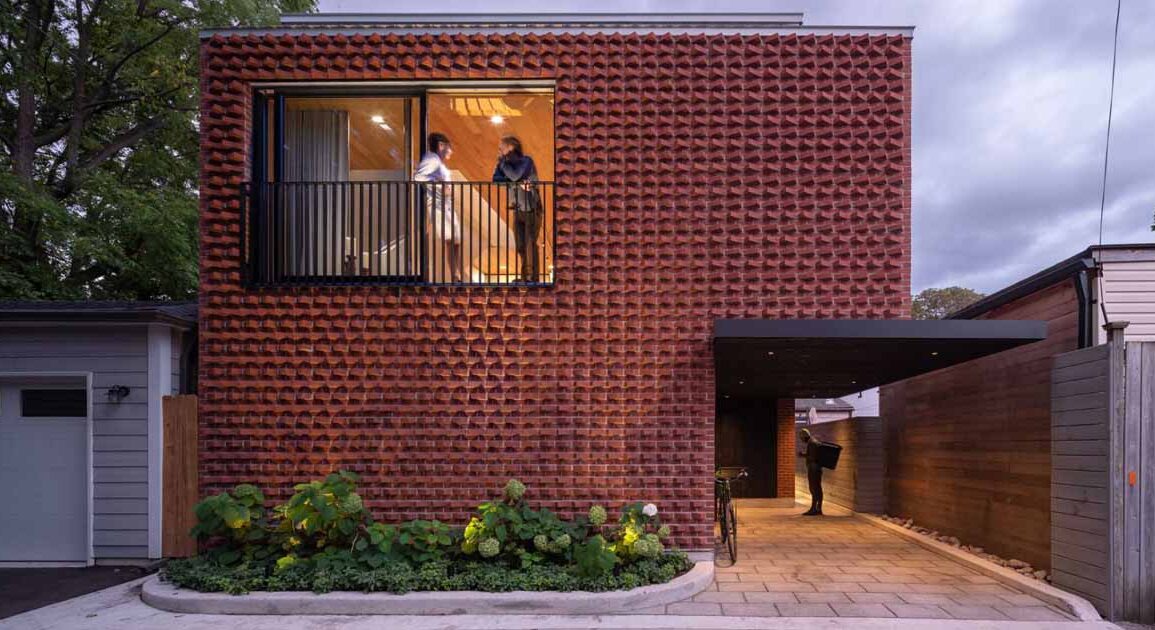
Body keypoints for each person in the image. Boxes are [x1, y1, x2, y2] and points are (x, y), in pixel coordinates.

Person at [492, 135, 541, 282]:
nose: (499, 149)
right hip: (517, 209)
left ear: (511, 147)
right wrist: (513, 180)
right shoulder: (504, 164)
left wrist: (504, 167)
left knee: (529, 243)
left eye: (502, 146)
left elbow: (515, 175)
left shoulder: (526, 161)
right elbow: (495, 180)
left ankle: (531, 277)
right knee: (520, 245)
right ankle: (525, 276)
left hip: (532, 208)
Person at [414, 132, 463, 283]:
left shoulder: (437, 161)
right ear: (441, 146)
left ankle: (457, 274)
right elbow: (418, 177)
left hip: (445, 204)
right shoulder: (432, 159)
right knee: (451, 239)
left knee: (456, 240)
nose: (451, 151)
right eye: (449, 148)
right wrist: (440, 187)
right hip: (438, 205)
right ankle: (456, 276)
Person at [799, 428, 824, 516]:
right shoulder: (813, 442)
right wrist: (805, 454)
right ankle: (818, 508)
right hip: (816, 468)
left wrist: (803, 455)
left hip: (814, 469)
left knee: (814, 488)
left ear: (804, 436)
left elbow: (813, 458)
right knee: (817, 488)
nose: (802, 441)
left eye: (802, 439)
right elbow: (813, 455)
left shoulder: (812, 443)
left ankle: (814, 508)